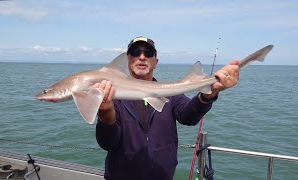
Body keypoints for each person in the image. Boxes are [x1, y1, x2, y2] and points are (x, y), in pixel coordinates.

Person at [95, 36, 239, 180]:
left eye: (148, 53)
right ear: (128, 60)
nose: (142, 57)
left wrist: (209, 94)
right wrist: (106, 113)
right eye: (135, 52)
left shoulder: (169, 94)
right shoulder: (112, 97)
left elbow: (188, 116)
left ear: (156, 62)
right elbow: (107, 143)